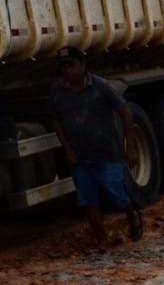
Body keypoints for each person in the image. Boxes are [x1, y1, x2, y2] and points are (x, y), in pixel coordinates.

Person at [49, 46, 144, 251]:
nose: (67, 71)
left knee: (115, 194)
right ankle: (101, 239)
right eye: (63, 67)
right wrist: (67, 148)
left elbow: (125, 113)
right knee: (87, 198)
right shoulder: (57, 91)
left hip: (106, 152)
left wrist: (131, 147)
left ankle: (131, 213)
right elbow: (56, 120)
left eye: (71, 65)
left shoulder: (101, 87)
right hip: (79, 156)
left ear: (83, 65)